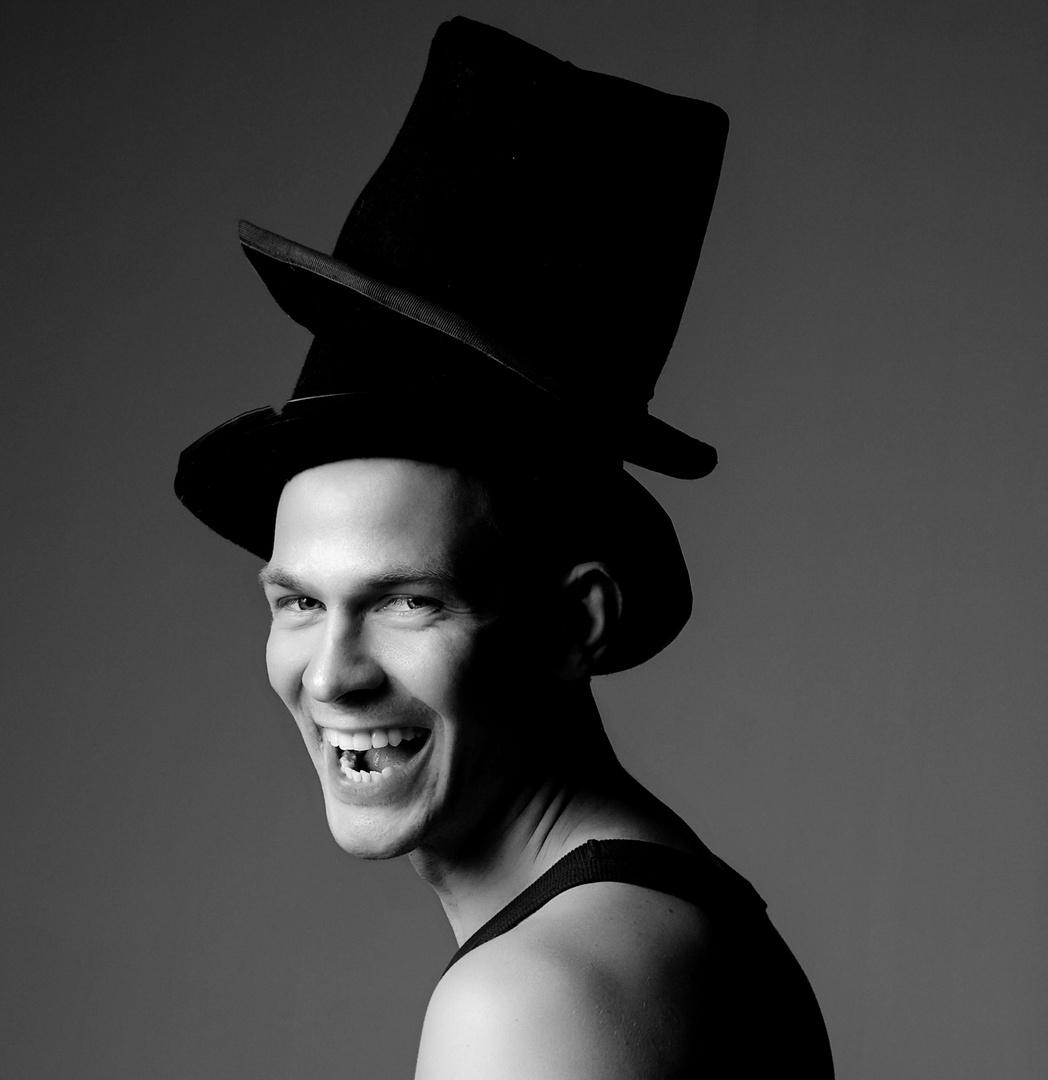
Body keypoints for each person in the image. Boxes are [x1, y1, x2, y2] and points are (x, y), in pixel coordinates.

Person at [175, 16, 834, 1078]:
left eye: (409, 601)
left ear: (576, 623)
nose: (332, 675)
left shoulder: (534, 1000)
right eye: (299, 602)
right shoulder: (666, 922)